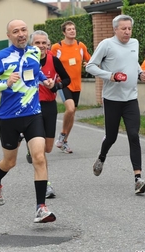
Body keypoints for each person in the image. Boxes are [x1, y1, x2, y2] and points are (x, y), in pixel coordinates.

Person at [0, 19, 56, 223]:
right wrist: (5, 83)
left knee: (39, 157)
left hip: (33, 114)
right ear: (9, 36)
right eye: (16, 31)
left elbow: (35, 71)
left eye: (24, 30)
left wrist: (45, 81)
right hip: (10, 118)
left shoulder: (33, 52)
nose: (21, 34)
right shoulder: (0, 57)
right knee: (10, 161)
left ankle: (41, 208)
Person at [86, 14, 145, 194]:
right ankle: (101, 157)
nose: (127, 32)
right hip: (112, 100)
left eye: (129, 28)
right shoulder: (106, 44)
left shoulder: (135, 43)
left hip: (130, 99)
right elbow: (90, 66)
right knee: (111, 137)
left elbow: (133, 62)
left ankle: (138, 179)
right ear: (115, 29)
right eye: (123, 29)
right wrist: (110, 75)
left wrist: (140, 74)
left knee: (133, 135)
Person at [29, 30, 71, 198]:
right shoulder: (25, 60)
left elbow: (67, 79)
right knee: (39, 151)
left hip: (49, 106)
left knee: (47, 148)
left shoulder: (53, 60)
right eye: (37, 43)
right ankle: (45, 184)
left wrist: (56, 86)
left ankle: (31, 148)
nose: (40, 46)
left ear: (48, 44)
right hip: (31, 107)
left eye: (43, 43)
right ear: (32, 45)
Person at [50, 20, 91, 153]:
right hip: (63, 83)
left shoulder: (80, 46)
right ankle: (62, 134)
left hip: (77, 84)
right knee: (70, 108)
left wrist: (88, 65)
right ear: (64, 32)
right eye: (69, 29)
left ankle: (64, 142)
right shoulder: (57, 47)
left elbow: (89, 60)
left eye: (73, 28)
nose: (72, 31)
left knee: (72, 113)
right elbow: (50, 62)